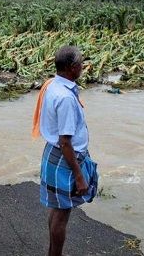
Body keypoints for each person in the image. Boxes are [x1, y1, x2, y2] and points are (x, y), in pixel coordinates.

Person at [32, 46, 99, 256]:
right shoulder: (67, 99)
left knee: (56, 207)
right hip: (65, 158)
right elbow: (65, 142)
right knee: (62, 213)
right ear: (72, 67)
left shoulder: (51, 85)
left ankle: (52, 253)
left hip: (53, 153)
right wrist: (79, 175)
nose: (83, 66)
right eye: (81, 63)